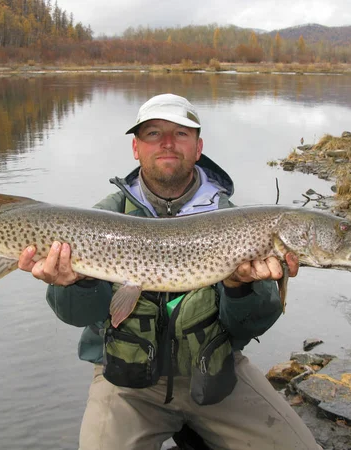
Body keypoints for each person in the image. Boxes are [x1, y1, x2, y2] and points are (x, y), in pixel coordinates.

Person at [18, 94, 321, 450]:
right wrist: (77, 283)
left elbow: (251, 325)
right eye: (153, 134)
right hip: (127, 383)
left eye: (180, 134)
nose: (166, 143)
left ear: (198, 147)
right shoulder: (103, 215)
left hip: (216, 375)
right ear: (136, 148)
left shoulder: (238, 221)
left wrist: (239, 287)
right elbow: (76, 315)